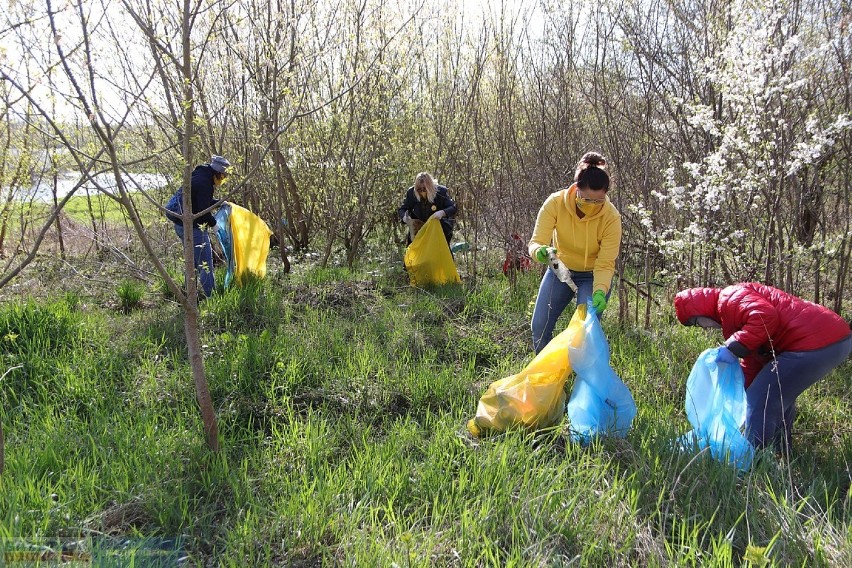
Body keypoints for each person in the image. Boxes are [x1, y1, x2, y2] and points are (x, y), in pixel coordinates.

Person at [675, 283, 852, 454]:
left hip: (814, 342)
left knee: (762, 399)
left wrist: (733, 347)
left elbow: (765, 316)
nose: (704, 327)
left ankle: (751, 461)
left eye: (697, 322)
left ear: (700, 309)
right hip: (835, 340)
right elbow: (754, 358)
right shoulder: (730, 312)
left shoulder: (730, 298)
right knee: (773, 395)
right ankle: (780, 453)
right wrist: (743, 389)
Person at [527, 152, 622, 353]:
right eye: (586, 199)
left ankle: (581, 378)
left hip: (592, 277)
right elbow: (536, 242)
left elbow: (605, 263)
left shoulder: (611, 217)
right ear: (575, 189)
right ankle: (545, 375)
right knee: (539, 326)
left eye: (598, 201)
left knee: (584, 332)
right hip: (561, 271)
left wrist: (600, 290)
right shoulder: (555, 203)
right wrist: (540, 252)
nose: (592, 206)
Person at [165, 155, 231, 298]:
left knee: (192, 263)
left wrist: (219, 202)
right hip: (192, 227)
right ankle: (212, 298)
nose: (223, 179)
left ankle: (190, 297)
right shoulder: (204, 183)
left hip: (180, 223)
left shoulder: (200, 175)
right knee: (205, 263)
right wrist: (214, 225)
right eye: (223, 176)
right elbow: (203, 212)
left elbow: (201, 200)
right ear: (217, 172)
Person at [398, 172, 457, 246]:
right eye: (419, 189)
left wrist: (442, 213)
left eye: (424, 189)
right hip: (418, 231)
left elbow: (453, 207)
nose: (422, 192)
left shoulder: (441, 191)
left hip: (439, 231)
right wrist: (405, 218)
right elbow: (402, 209)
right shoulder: (411, 192)